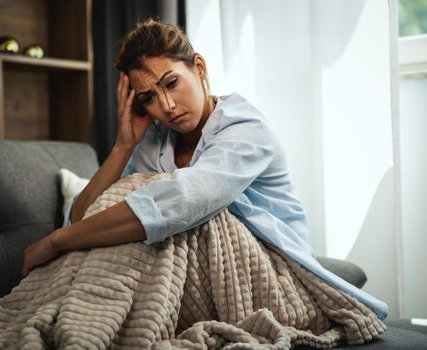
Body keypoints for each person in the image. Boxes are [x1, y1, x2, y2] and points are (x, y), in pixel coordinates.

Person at [21, 18, 387, 320]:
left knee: (181, 210)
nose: (166, 105)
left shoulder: (246, 130)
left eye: (171, 84)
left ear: (198, 68)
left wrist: (54, 241)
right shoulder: (155, 138)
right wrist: (123, 146)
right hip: (199, 282)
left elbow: (181, 201)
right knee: (131, 204)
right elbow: (82, 219)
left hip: (272, 272)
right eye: (149, 98)